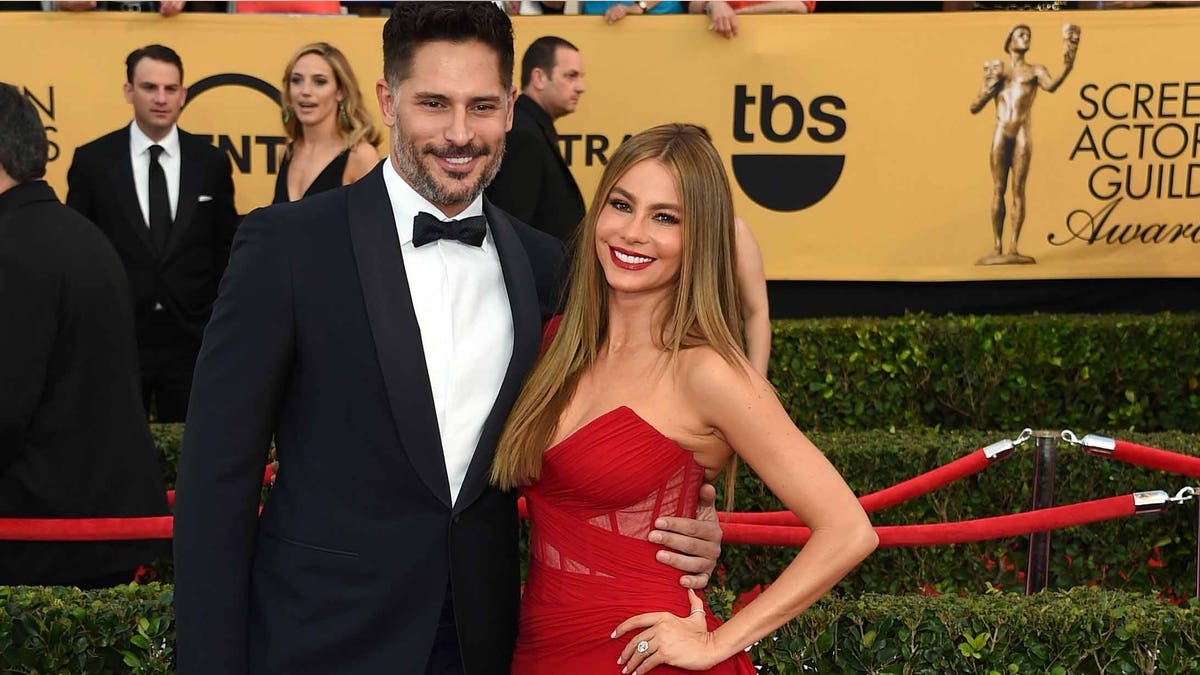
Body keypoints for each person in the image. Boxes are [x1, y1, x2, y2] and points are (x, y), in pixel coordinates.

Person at [173, 5, 721, 675]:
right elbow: (214, 482)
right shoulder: (285, 247)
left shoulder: (554, 268)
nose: (460, 133)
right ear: (387, 100)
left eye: (482, 105)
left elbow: (632, 413)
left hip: (481, 640)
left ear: (512, 107)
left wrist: (691, 521)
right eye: (434, 103)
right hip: (319, 636)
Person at [493, 123, 877, 674]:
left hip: (644, 657)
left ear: (700, 238)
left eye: (665, 217)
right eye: (621, 205)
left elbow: (847, 531)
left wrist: (717, 645)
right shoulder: (554, 345)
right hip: (538, 650)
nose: (633, 232)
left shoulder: (709, 373)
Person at [0, 82, 169, 588]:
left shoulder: (12, 250)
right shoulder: (77, 233)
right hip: (91, 533)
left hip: (44, 543)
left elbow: (6, 409)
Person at [66, 44, 239, 422]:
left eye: (170, 88)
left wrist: (215, 317)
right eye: (149, 87)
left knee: (193, 451)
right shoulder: (93, 161)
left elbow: (224, 245)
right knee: (112, 447)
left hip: (193, 339)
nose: (161, 98)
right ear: (129, 90)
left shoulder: (209, 161)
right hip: (117, 337)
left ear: (183, 94)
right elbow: (77, 252)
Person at [969, 23, 1080, 265]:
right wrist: (989, 87)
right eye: (1020, 35)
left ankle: (1013, 246)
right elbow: (975, 106)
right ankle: (997, 245)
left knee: (1018, 190)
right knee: (999, 189)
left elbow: (1051, 86)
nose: (1026, 38)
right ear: (1009, 42)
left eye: (1028, 35)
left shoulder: (1035, 71)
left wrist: (1068, 66)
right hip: (1001, 131)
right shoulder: (998, 71)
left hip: (1021, 133)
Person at [485, 35, 586, 245]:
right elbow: (511, 230)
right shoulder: (523, 135)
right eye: (571, 76)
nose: (580, 87)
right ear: (539, 77)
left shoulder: (532, 128)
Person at [274, 42, 380, 204]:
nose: (305, 91)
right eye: (296, 80)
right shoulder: (286, 153)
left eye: (319, 82)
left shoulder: (361, 156)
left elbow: (377, 224)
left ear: (340, 91)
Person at [686, 1, 814, 39]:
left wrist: (735, 14)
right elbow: (693, 6)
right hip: (720, 44)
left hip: (779, 44)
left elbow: (798, 6)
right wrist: (713, 4)